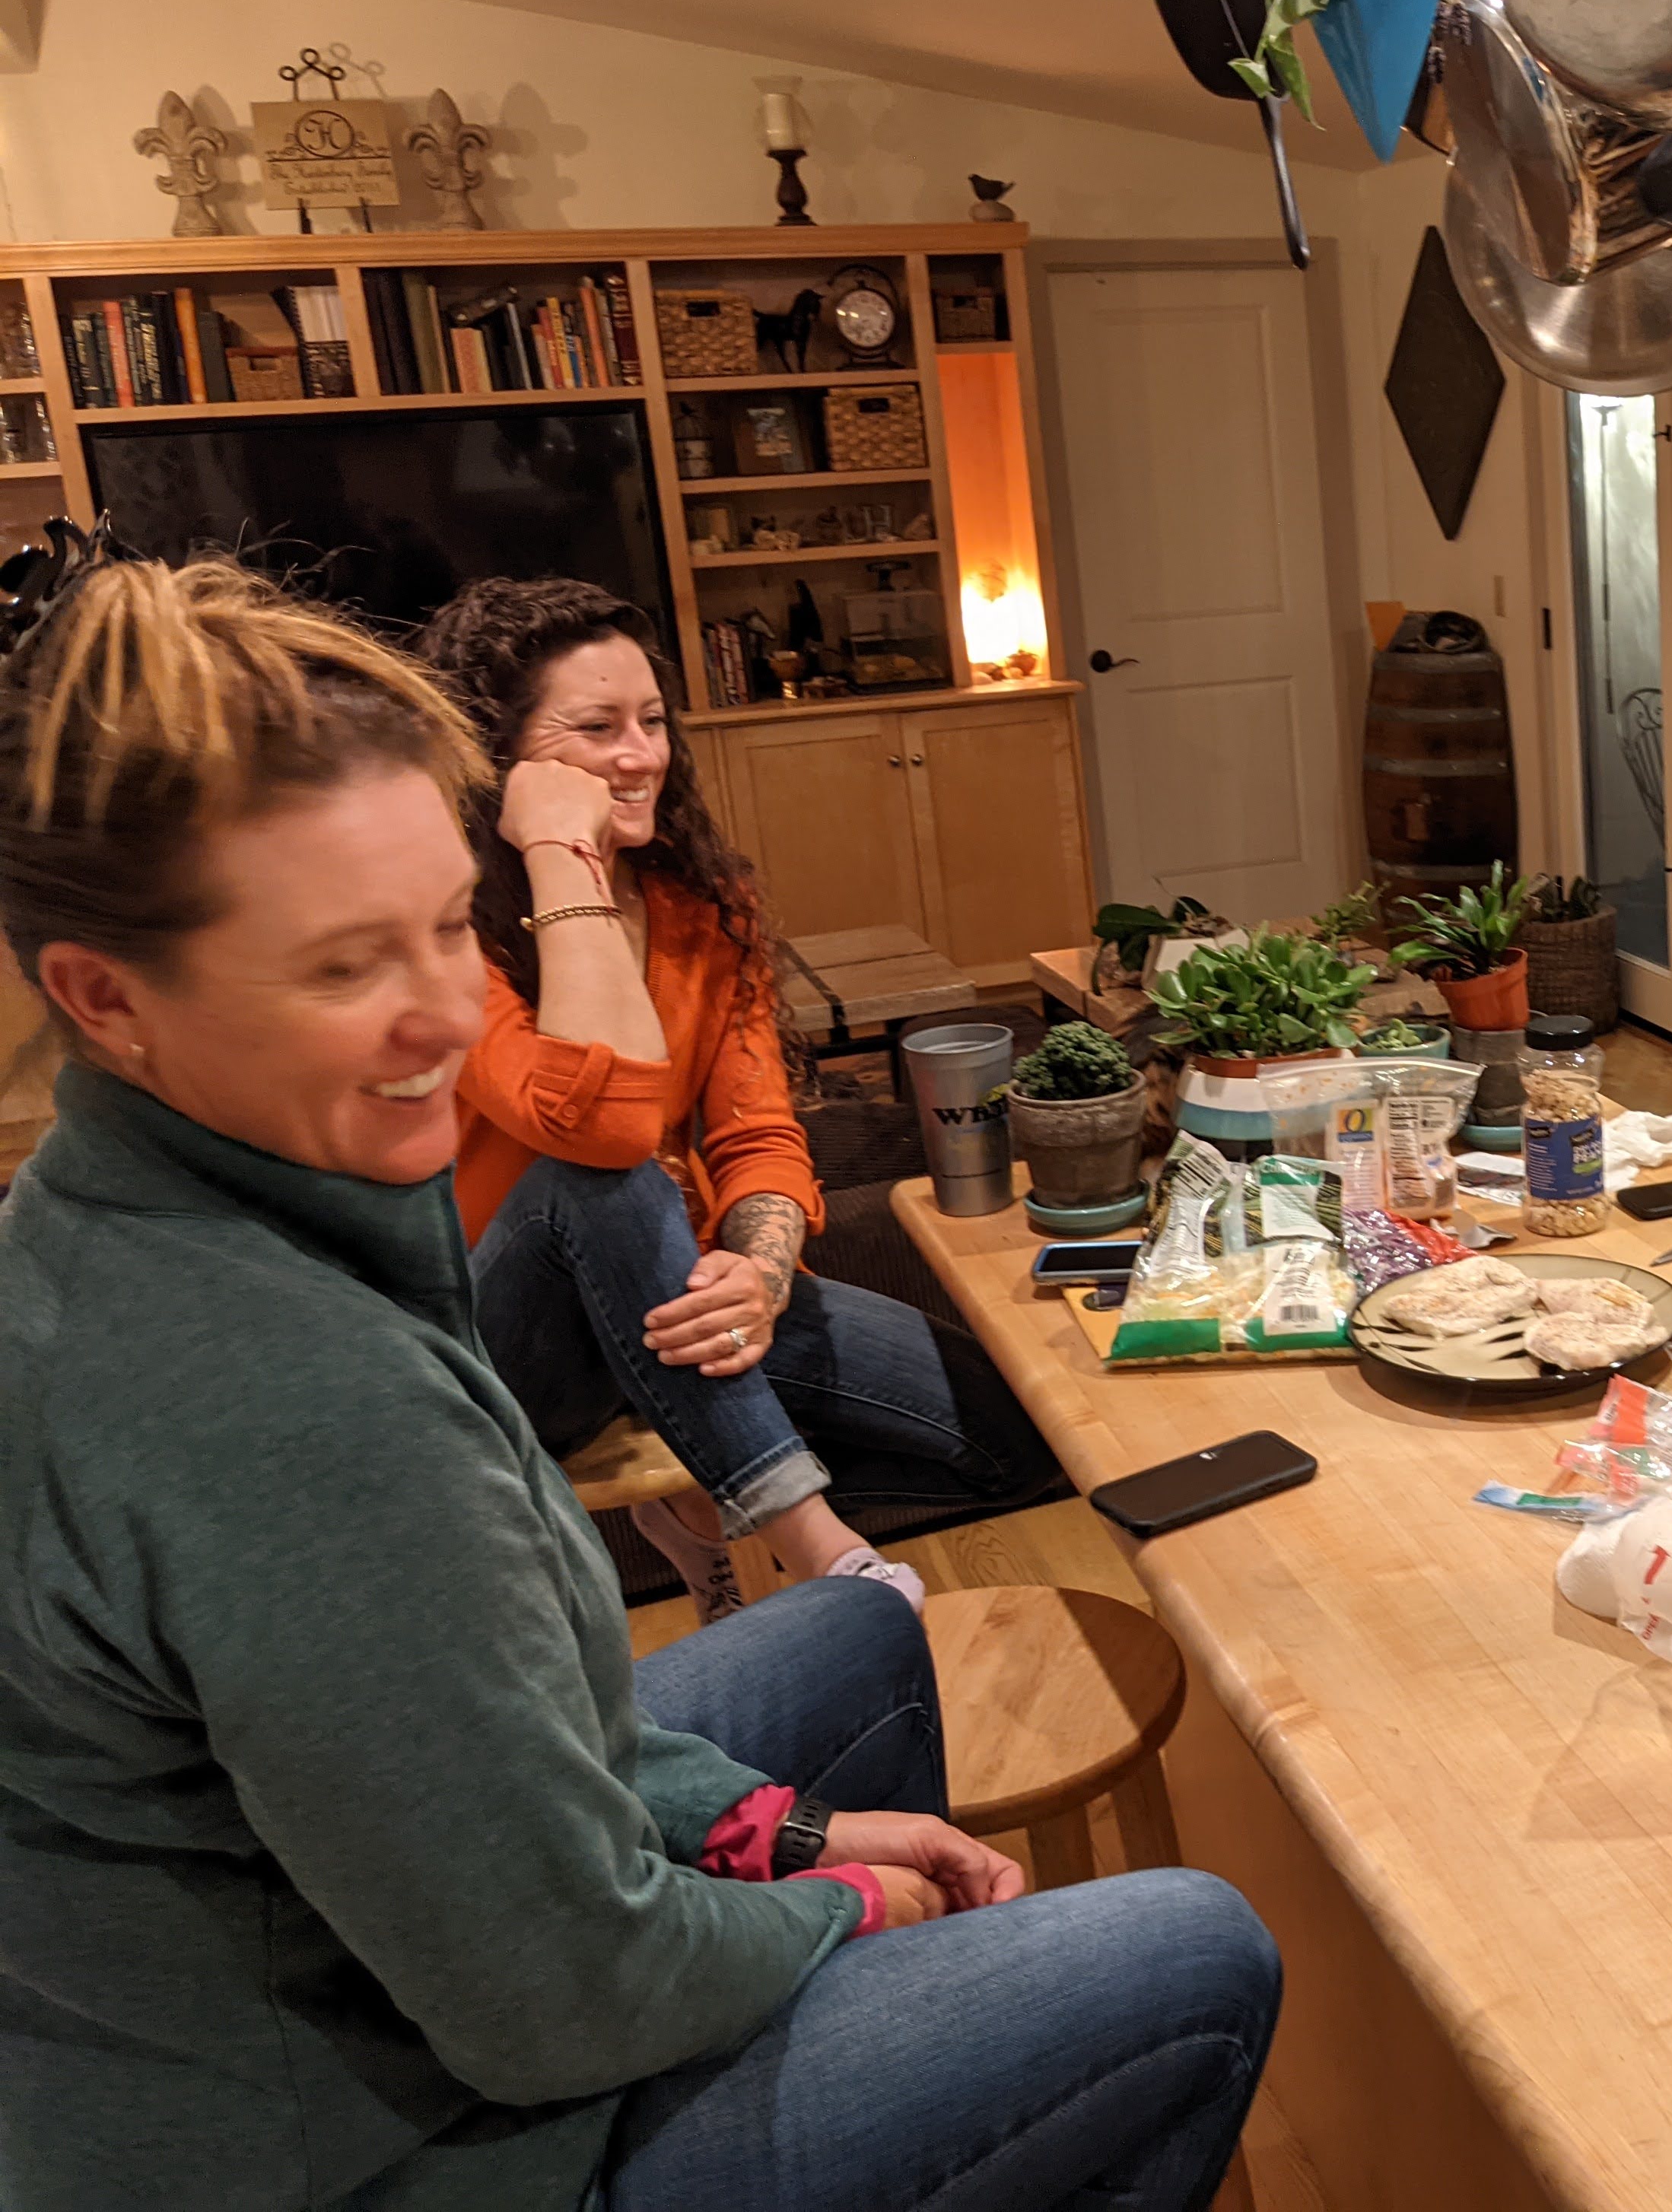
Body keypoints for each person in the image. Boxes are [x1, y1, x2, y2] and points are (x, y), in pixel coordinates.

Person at [0, 546, 1278, 2210]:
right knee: (1191, 1950)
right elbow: (561, 2000)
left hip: (419, 1959)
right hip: (405, 2154)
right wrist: (836, 1908)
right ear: (104, 999)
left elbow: (539, 1739)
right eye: (343, 968)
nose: (442, 1012)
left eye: (446, 928)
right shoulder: (288, 1404)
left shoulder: (140, 1209)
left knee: (858, 1633)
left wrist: (775, 1836)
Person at [417, 575, 1064, 1619]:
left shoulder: (703, 903)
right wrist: (561, 853)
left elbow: (757, 1131)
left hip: (680, 1301)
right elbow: (604, 1126)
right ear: (499, 755)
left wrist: (757, 1274)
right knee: (605, 1178)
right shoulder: (442, 929)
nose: (642, 755)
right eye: (596, 728)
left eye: (653, 721)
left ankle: (706, 1509)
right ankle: (811, 1540)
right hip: (510, 1341)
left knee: (1016, 1437)